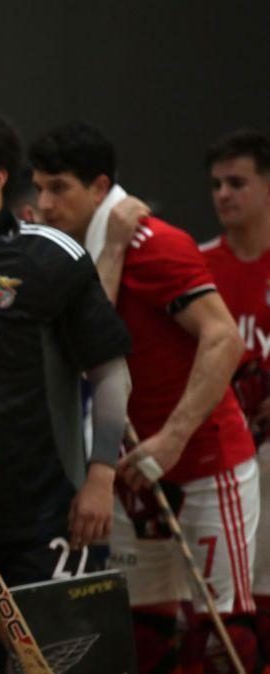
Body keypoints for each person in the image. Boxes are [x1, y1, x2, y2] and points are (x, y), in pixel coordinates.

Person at [29, 121, 259, 673]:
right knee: (143, 630)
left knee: (225, 636)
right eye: (38, 188)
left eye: (58, 188)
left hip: (202, 464)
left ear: (98, 186)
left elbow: (224, 340)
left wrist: (173, 438)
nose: (43, 203)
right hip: (130, 469)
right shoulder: (81, 248)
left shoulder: (154, 244)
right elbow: (87, 348)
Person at [0, 111, 132, 671]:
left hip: (47, 515)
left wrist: (100, 475)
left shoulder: (48, 257)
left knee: (63, 663)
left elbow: (110, 372)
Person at [198, 128, 270, 667]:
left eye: (237, 182)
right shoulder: (200, 266)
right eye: (217, 184)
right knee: (238, 598)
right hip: (225, 450)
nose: (224, 194)